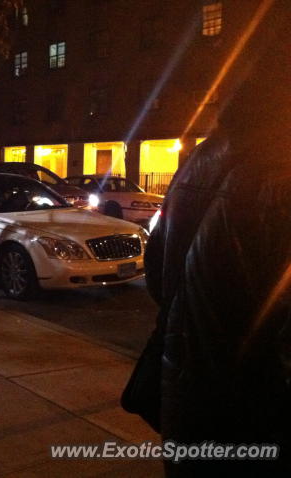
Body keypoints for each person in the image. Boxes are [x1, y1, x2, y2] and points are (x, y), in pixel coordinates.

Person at [138, 3, 291, 475]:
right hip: (256, 418)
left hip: (187, 396)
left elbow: (159, 276)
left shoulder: (201, 160)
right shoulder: (279, 173)